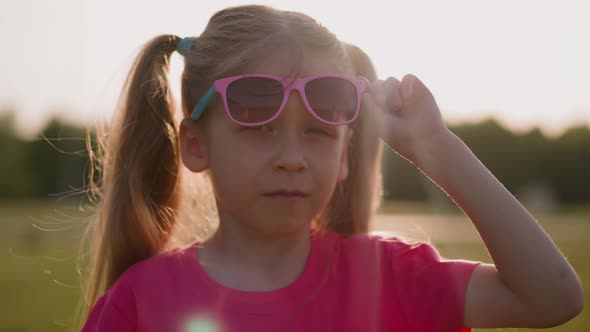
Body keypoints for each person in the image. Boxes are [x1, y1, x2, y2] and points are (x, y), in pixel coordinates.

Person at [74, 4, 584, 332]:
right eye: (257, 122)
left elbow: (551, 297)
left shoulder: (388, 278)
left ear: (344, 154)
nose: (293, 157)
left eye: (319, 131)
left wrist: (437, 146)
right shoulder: (138, 302)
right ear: (196, 145)